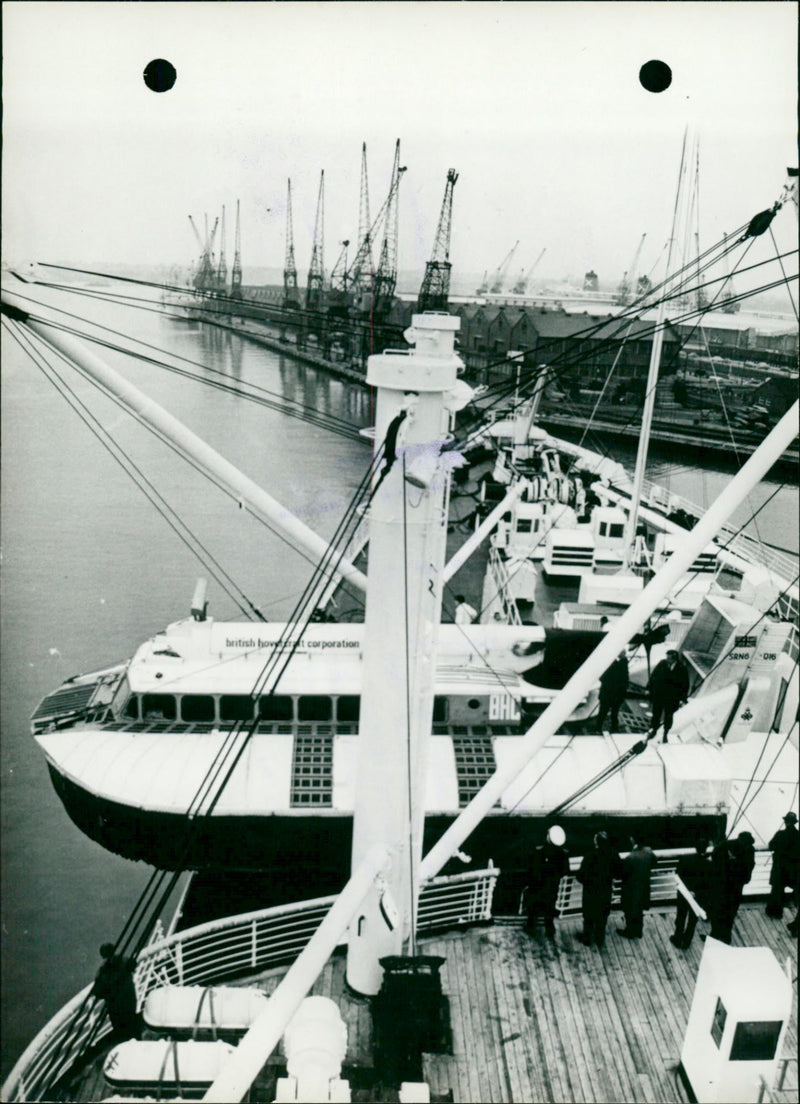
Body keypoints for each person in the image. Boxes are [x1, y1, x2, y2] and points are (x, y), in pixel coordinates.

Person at [706, 832, 756, 944]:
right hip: (735, 887)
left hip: (722, 884)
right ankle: (725, 937)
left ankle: (715, 934)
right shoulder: (749, 850)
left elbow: (715, 857)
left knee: (719, 910)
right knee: (729, 912)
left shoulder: (726, 845)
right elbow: (749, 867)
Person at [576, 831, 622, 948]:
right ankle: (599, 939)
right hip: (605, 892)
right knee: (602, 917)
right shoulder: (613, 854)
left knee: (588, 917)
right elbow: (619, 873)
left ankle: (587, 939)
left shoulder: (590, 855)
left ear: (596, 842)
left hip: (590, 892)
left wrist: (588, 881)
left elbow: (580, 876)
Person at [525, 825, 570, 938]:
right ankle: (550, 929)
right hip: (553, 886)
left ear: (549, 838)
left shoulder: (539, 851)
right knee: (550, 907)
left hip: (537, 885)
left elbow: (532, 868)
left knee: (534, 906)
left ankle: (531, 927)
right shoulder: (563, 854)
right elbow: (565, 870)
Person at [92, 943, 141, 1040]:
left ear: (103, 955)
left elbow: (97, 992)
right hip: (129, 1001)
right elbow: (133, 965)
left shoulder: (102, 971)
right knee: (133, 1026)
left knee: (121, 1032)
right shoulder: (124, 960)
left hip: (116, 1007)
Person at [670, 837, 710, 949]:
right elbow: (709, 882)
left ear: (695, 848)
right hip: (699, 896)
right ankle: (687, 941)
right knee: (692, 920)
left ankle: (677, 938)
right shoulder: (709, 864)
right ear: (706, 848)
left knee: (681, 916)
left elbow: (678, 875)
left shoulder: (685, 859)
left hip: (684, 893)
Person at [647, 649, 689, 743]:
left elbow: (685, 684)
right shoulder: (662, 664)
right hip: (659, 695)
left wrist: (683, 698)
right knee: (656, 714)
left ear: (674, 659)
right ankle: (653, 730)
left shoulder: (682, 668)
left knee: (668, 717)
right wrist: (648, 688)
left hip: (672, 698)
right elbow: (654, 675)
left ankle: (665, 733)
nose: (666, 660)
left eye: (668, 658)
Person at [617, 839, 656, 939]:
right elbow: (654, 862)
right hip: (644, 887)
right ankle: (638, 931)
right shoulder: (648, 852)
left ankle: (629, 931)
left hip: (630, 889)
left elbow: (622, 874)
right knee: (639, 910)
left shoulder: (630, 858)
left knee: (629, 910)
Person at [766, 811, 799, 918]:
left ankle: (775, 912)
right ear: (794, 823)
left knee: (777, 889)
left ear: (786, 822)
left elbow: (771, 846)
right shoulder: (798, 835)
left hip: (780, 867)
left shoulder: (780, 834)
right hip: (794, 868)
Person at [597, 653, 629, 734]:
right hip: (609, 694)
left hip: (613, 694)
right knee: (604, 712)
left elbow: (625, 681)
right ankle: (599, 727)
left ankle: (612, 727)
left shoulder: (623, 663)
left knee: (612, 713)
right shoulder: (617, 663)